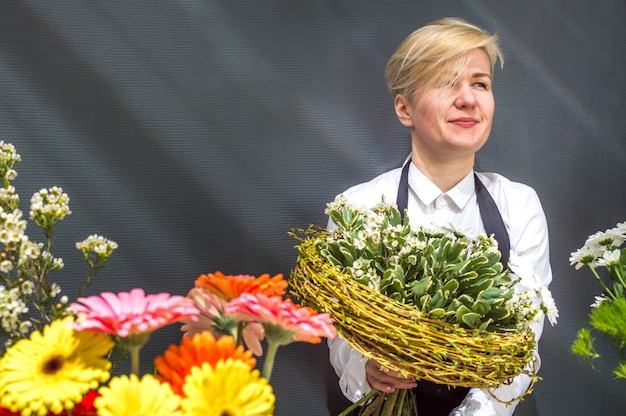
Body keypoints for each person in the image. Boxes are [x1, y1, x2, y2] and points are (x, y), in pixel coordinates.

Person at [326, 18, 552, 416]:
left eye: (480, 83)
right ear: (404, 108)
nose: (468, 99)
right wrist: (368, 369)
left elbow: (522, 344)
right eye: (447, 83)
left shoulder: (519, 205)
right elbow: (341, 336)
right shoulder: (357, 206)